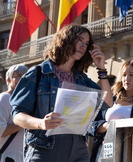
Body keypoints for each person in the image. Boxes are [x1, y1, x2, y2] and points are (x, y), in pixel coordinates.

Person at [10, 24, 113, 162]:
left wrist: (101, 68)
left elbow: (107, 102)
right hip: (44, 149)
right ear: (66, 39)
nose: (84, 46)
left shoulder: (81, 79)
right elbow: (17, 116)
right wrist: (41, 123)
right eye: (80, 40)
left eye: (87, 43)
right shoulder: (38, 73)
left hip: (79, 149)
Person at [90, 59, 133, 162]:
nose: (127, 78)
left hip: (132, 153)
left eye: (131, 75)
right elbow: (91, 125)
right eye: (124, 75)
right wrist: (106, 126)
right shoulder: (111, 99)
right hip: (106, 152)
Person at [0, 64, 28, 162]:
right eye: (19, 76)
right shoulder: (4, 98)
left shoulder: (26, 100)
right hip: (8, 156)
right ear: (8, 80)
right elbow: (1, 130)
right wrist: (27, 122)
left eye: (26, 76)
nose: (24, 79)